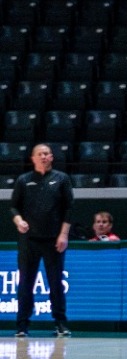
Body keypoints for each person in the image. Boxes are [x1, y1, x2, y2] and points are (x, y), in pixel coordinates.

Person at [10, 145, 72, 338]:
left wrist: (63, 235)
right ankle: (22, 325)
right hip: (29, 240)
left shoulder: (61, 178)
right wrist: (19, 221)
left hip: (53, 240)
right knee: (26, 283)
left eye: (47, 154)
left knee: (55, 283)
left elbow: (69, 209)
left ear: (52, 157)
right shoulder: (24, 180)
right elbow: (13, 207)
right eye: (40, 154)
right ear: (33, 158)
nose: (44, 156)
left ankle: (60, 323)